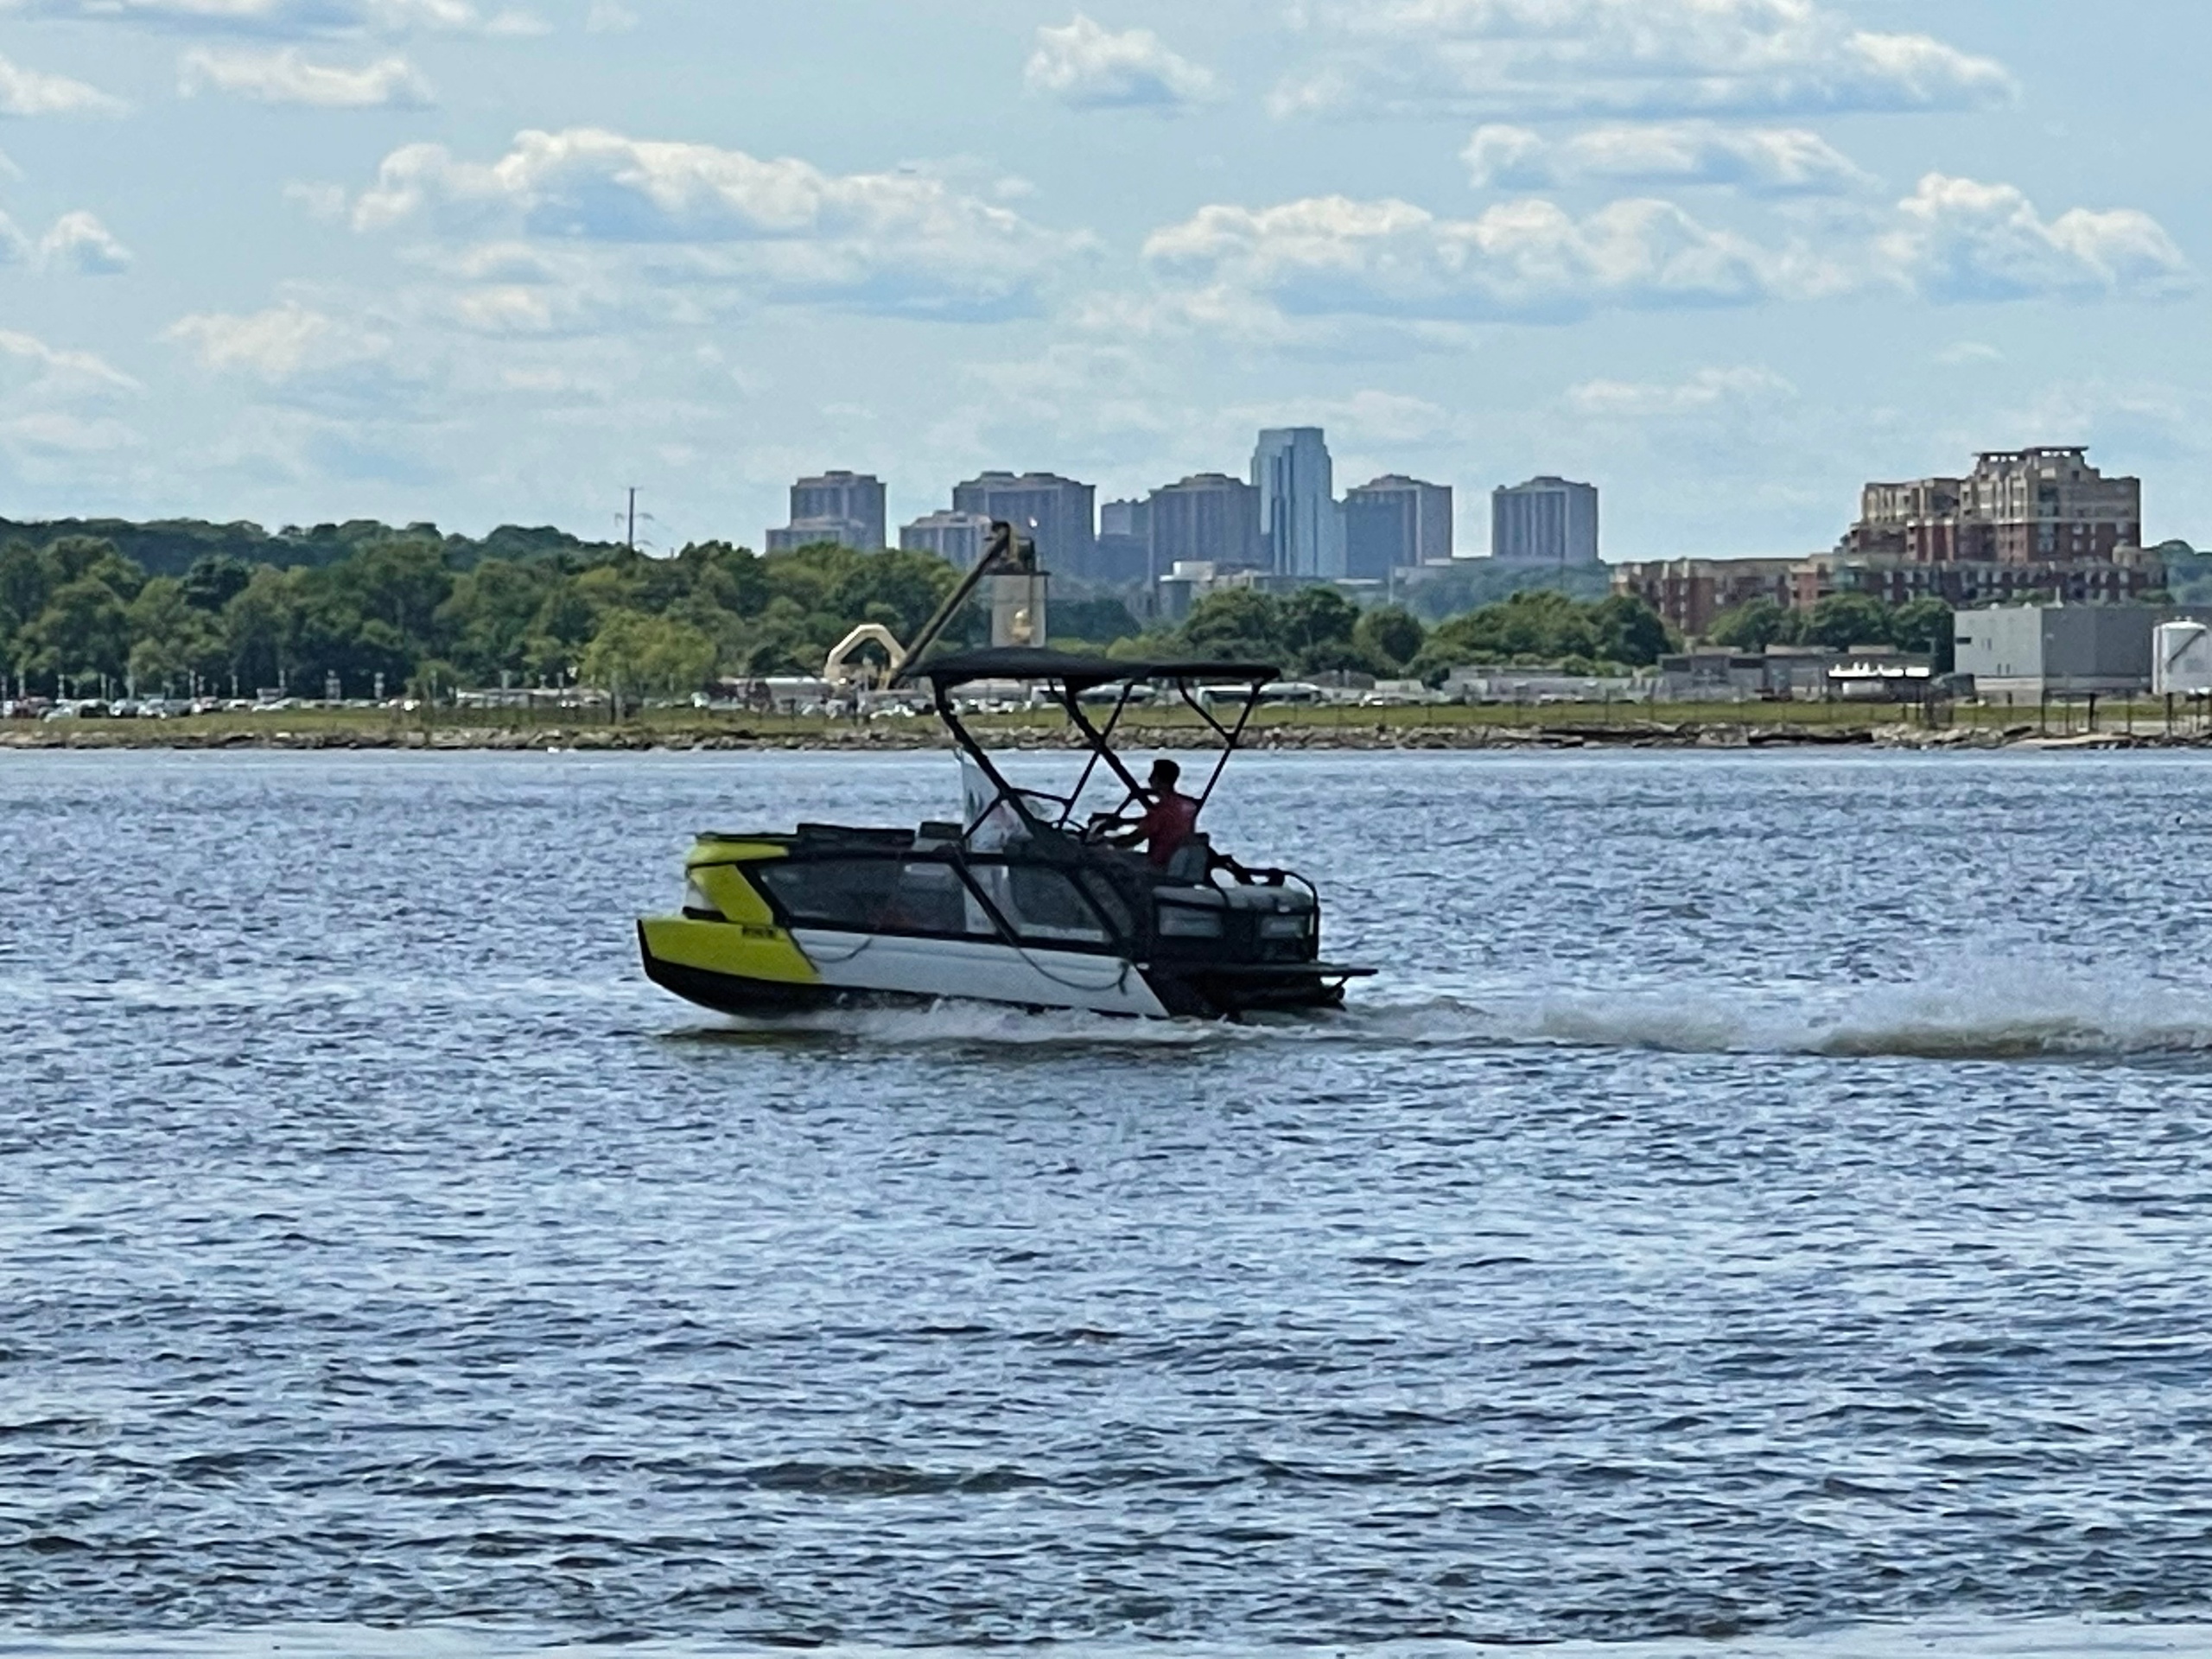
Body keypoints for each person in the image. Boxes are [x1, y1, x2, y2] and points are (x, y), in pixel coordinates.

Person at [1123, 758, 1201, 868]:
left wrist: (1109, 844)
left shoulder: (1161, 810)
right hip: (1175, 863)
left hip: (1158, 866)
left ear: (1160, 781)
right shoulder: (1188, 806)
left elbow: (1137, 838)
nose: (1149, 780)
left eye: (1153, 776)